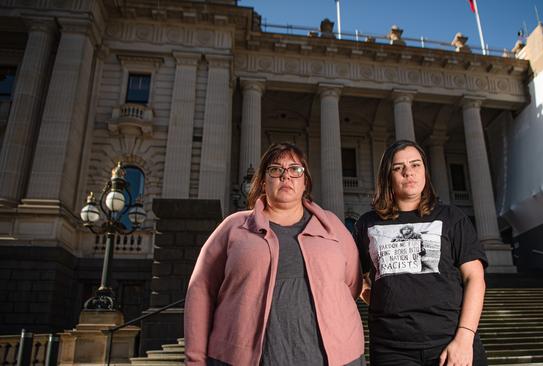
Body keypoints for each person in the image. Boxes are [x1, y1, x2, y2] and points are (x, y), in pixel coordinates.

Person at [185, 142, 366, 366]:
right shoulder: (233, 227)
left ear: (305, 182)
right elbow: (201, 291)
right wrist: (195, 360)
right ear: (263, 181)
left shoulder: (333, 226)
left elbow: (352, 283)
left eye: (295, 170)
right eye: (275, 170)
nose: (285, 176)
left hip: (337, 359)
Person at [354, 140, 488, 366]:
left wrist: (465, 338)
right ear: (388, 176)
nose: (408, 172)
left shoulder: (452, 217)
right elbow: (354, 277)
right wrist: (387, 300)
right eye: (398, 168)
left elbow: (474, 277)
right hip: (392, 348)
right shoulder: (368, 223)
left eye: (416, 165)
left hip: (451, 340)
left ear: (425, 170)